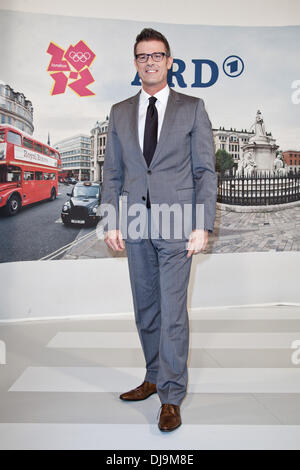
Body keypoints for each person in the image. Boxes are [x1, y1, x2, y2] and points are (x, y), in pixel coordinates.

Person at [99, 28, 217, 432]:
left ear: (170, 61)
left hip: (177, 226)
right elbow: (112, 172)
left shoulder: (193, 108)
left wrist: (202, 224)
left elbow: (204, 171)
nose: (150, 62)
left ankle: (171, 395)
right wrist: (110, 220)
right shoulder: (118, 112)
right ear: (135, 64)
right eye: (142, 56)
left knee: (172, 313)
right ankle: (152, 375)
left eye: (157, 55)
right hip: (134, 223)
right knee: (146, 309)